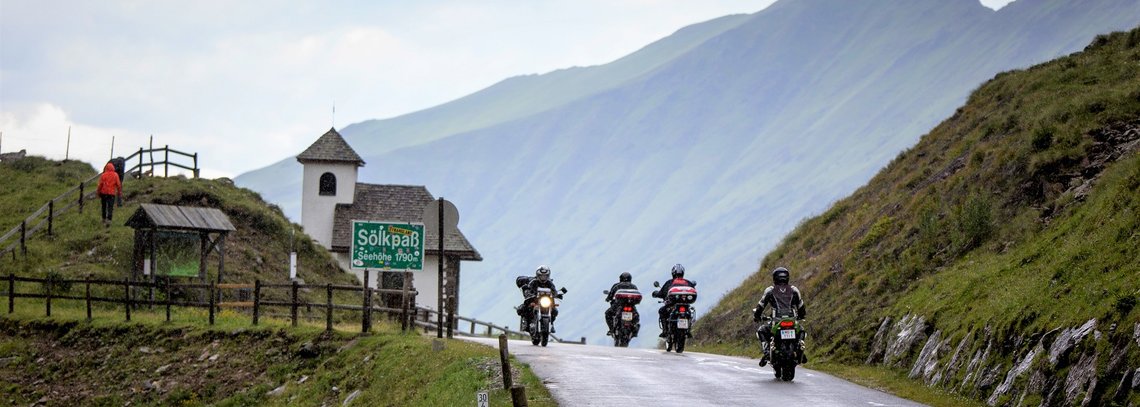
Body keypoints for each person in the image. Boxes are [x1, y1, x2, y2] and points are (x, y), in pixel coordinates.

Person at [752, 266, 807, 367]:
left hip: (776, 322)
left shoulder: (770, 291)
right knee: (802, 331)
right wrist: (801, 316)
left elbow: (761, 306)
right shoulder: (794, 290)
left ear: (774, 278)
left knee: (761, 331)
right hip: (792, 321)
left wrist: (757, 316)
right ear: (787, 277)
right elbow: (801, 306)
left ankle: (766, 352)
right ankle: (800, 347)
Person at [652, 264, 694, 337]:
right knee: (690, 313)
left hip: (672, 306)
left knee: (662, 311)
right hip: (685, 305)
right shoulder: (688, 282)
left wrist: (656, 294)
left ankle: (665, 330)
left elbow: (662, 293)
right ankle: (688, 330)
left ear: (673, 273)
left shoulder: (670, 282)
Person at [519, 265, 561, 332]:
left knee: (555, 311)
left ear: (548, 275)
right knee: (524, 308)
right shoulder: (533, 282)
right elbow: (528, 288)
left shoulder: (550, 283)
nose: (543, 277)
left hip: (546, 301)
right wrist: (528, 292)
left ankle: (552, 324)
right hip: (535, 300)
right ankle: (526, 322)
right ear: (538, 275)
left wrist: (557, 294)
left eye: (545, 276)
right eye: (541, 275)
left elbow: (554, 290)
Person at [604, 272, 639, 336]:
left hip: (619, 305)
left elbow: (610, 295)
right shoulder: (634, 286)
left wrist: (608, 299)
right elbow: (637, 295)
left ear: (620, 278)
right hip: (631, 305)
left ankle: (611, 330)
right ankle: (634, 328)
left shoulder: (617, 286)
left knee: (608, 313)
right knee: (636, 316)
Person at [96, 162, 122, 227]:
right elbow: (118, 185)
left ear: (106, 168)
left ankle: (104, 219)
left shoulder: (103, 175)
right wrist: (119, 192)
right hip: (111, 194)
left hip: (104, 193)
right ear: (113, 168)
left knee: (104, 207)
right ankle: (109, 220)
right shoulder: (115, 175)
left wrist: (98, 193)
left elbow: (100, 185)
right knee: (110, 207)